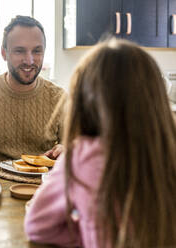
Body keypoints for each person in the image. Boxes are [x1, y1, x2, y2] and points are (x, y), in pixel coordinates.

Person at [24, 39, 176, 247]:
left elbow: (37, 226)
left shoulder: (81, 157)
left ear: (85, 102)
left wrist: (86, 233)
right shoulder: (169, 151)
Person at [0, 15, 66, 170]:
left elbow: (73, 145)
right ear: (4, 53)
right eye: (19, 51)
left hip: (43, 185)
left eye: (37, 51)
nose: (29, 60)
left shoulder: (60, 97)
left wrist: (67, 150)